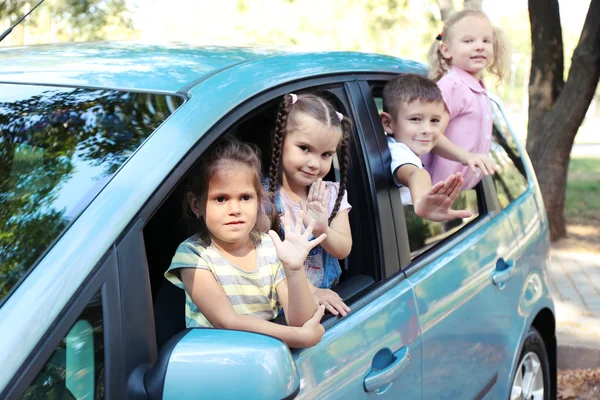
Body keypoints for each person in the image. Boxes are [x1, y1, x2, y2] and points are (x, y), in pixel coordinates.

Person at [166, 136, 326, 349]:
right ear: (196, 205)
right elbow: (226, 322)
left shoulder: (269, 247)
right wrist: (298, 337)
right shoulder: (193, 255)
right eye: (221, 199)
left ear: (259, 200)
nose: (235, 209)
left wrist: (294, 269)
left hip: (263, 360)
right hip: (212, 366)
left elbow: (300, 322)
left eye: (245, 197)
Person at [262, 93, 352, 317]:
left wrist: (323, 229)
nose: (314, 163)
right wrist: (311, 291)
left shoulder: (332, 195)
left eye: (326, 154)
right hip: (277, 310)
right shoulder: (260, 196)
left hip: (318, 310)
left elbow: (343, 249)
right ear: (279, 140)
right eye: (304, 148)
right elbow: (261, 259)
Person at [380, 73, 490, 221]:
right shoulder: (398, 152)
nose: (428, 129)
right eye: (415, 119)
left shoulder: (400, 143)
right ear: (388, 123)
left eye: (435, 120)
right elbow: (415, 174)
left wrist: (466, 156)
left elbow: (436, 141)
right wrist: (421, 200)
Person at [424, 9, 509, 189]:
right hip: (434, 193)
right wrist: (466, 156)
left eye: (486, 40)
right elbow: (430, 134)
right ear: (446, 50)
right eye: (468, 41)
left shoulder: (478, 89)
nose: (479, 46)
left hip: (456, 195)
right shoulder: (452, 86)